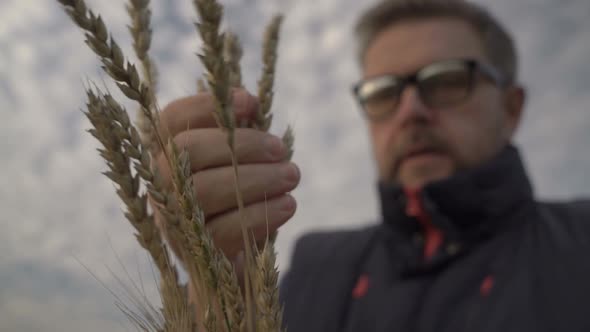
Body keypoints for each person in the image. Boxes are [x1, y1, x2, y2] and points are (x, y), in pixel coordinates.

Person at [155, 0, 590, 331]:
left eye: (447, 79)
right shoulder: (318, 267)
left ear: (512, 108)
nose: (411, 110)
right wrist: (217, 281)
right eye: (384, 91)